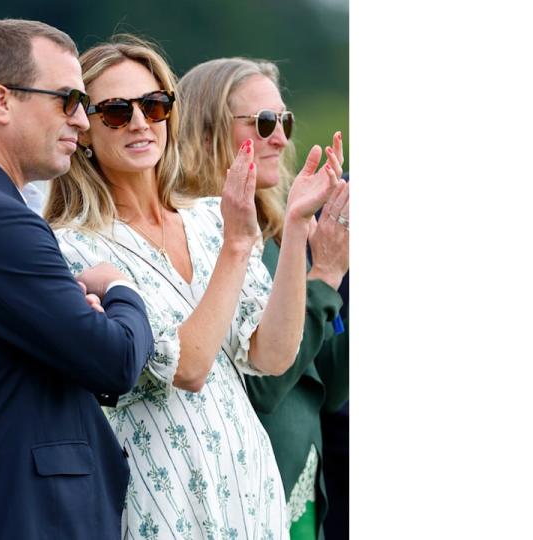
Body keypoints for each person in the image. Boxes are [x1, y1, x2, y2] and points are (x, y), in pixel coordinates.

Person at [45, 35, 339, 539]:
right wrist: (237, 245)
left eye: (155, 105)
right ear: (86, 129)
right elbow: (188, 366)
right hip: (159, 501)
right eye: (116, 111)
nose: (140, 122)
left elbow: (270, 356)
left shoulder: (207, 220)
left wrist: (293, 230)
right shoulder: (70, 248)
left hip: (251, 491)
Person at [0, 20, 156, 540]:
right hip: (6, 514)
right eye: (66, 99)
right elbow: (115, 359)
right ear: (1, 102)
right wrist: (118, 289)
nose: (83, 120)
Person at [178, 57, 350, 540]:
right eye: (265, 123)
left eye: (285, 121)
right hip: (247, 500)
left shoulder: (276, 236)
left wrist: (336, 272)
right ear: (206, 131)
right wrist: (324, 274)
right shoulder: (201, 239)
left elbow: (328, 388)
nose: (281, 137)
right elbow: (264, 388)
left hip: (301, 490)